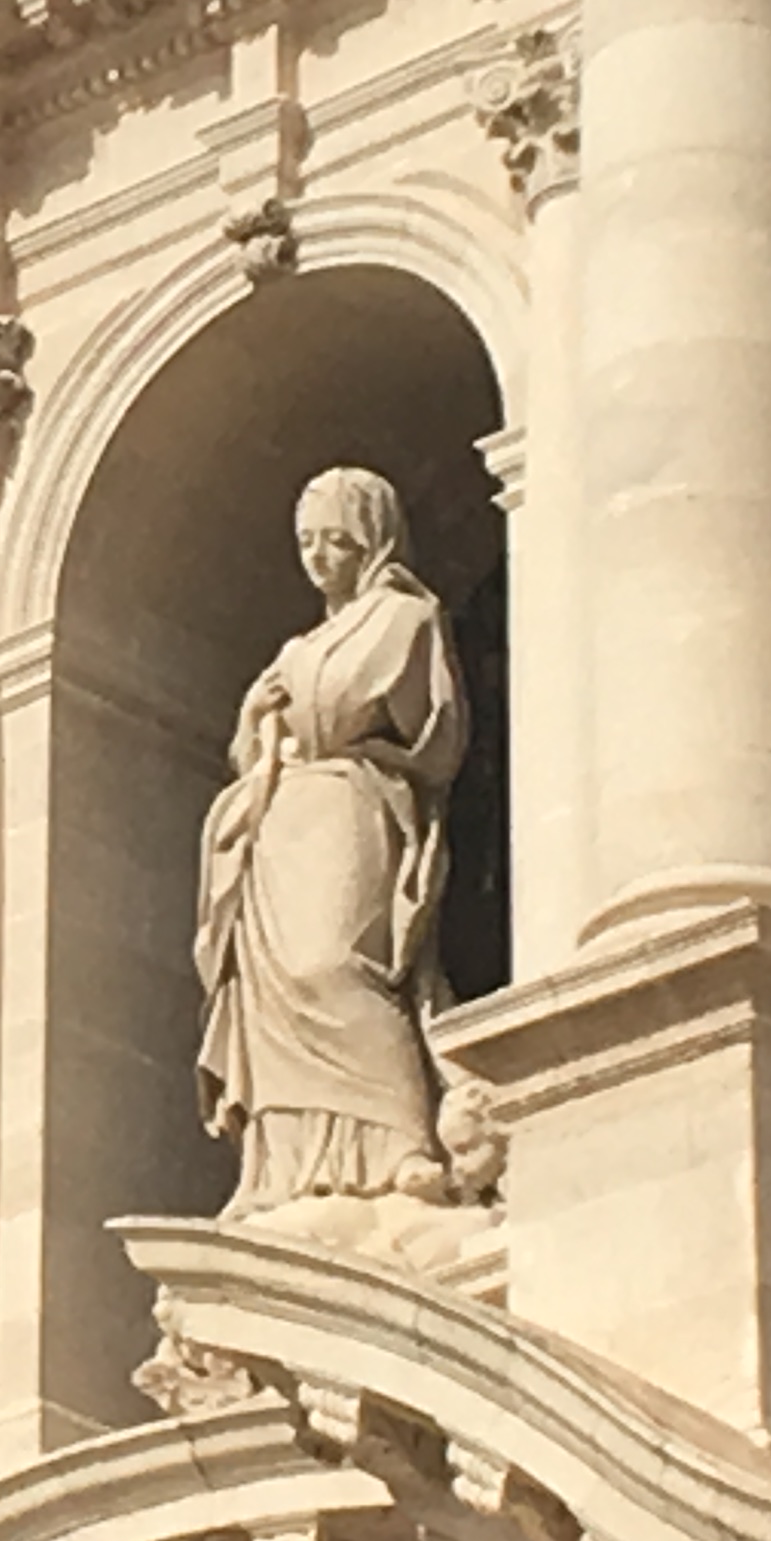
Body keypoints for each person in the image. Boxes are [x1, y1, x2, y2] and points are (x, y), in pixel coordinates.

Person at [195, 467, 469, 1212]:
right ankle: (286, 1169)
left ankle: (404, 1139)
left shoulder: (404, 620)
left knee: (333, 965)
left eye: (335, 540)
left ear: (371, 541)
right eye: (307, 542)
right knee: (275, 989)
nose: (318, 558)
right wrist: (258, 716)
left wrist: (309, 705)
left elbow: (429, 732)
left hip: (354, 799)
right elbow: (255, 747)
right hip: (281, 818)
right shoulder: (297, 646)